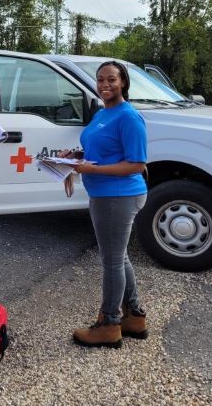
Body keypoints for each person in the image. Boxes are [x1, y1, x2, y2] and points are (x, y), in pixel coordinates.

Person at [62, 60, 148, 349]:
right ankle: (134, 317)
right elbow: (102, 149)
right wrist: (75, 154)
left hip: (118, 196)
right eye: (100, 80)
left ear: (123, 82)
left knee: (112, 261)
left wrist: (92, 170)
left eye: (111, 79)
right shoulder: (103, 113)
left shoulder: (129, 117)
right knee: (119, 257)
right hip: (105, 195)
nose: (105, 85)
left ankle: (109, 324)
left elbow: (137, 164)